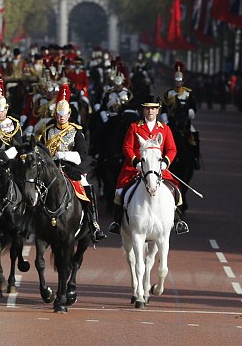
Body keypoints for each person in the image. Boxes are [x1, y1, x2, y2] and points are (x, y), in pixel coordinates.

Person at [108, 95, 189, 235]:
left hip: (157, 168)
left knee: (176, 191)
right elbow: (127, 147)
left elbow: (171, 149)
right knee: (120, 193)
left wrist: (165, 162)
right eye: (147, 108)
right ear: (143, 110)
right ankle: (117, 222)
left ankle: (177, 221)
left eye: (153, 108)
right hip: (135, 168)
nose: (150, 111)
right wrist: (136, 162)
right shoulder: (134, 127)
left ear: (158, 110)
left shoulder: (165, 129)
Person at [38, 85, 106, 241]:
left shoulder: (76, 131)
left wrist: (64, 154)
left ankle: (94, 224)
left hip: (70, 169)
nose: (61, 116)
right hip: (51, 168)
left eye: (64, 114)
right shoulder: (48, 130)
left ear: (69, 114)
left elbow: (82, 155)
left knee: (87, 187)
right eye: (59, 113)